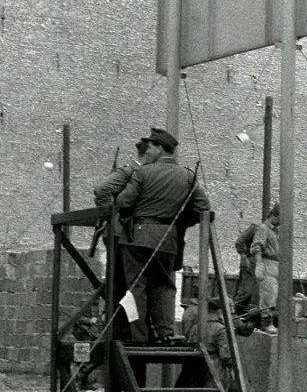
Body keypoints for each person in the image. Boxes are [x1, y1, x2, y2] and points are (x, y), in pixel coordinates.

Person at [114, 127, 210, 344]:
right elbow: (204, 209)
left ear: (159, 148)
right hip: (169, 239)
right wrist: (179, 222)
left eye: (150, 146)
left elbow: (123, 203)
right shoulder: (187, 175)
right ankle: (165, 333)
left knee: (136, 287)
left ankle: (139, 336)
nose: (147, 150)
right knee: (165, 287)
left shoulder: (143, 172)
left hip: (137, 237)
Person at [92, 139, 150, 341]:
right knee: (120, 285)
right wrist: (111, 216)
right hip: (119, 235)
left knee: (129, 285)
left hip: (130, 235)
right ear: (146, 154)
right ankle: (119, 330)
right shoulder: (130, 171)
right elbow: (102, 190)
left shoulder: (141, 172)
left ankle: (125, 330)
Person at [182, 297, 242, 392]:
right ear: (219, 311)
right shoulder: (220, 328)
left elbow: (188, 343)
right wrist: (232, 368)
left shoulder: (196, 327)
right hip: (215, 366)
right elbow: (226, 354)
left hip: (196, 364)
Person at [248, 205, 280, 330]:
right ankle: (266, 323)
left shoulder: (274, 231)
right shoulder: (263, 229)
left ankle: (271, 321)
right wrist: (259, 265)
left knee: (275, 294)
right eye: (279, 218)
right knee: (269, 294)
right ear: (274, 216)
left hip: (276, 264)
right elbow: (257, 248)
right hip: (267, 263)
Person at [233, 220, 259, 315]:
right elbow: (239, 242)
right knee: (246, 293)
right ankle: (233, 317)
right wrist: (244, 256)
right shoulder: (255, 229)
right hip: (251, 263)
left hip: (264, 265)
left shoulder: (275, 232)